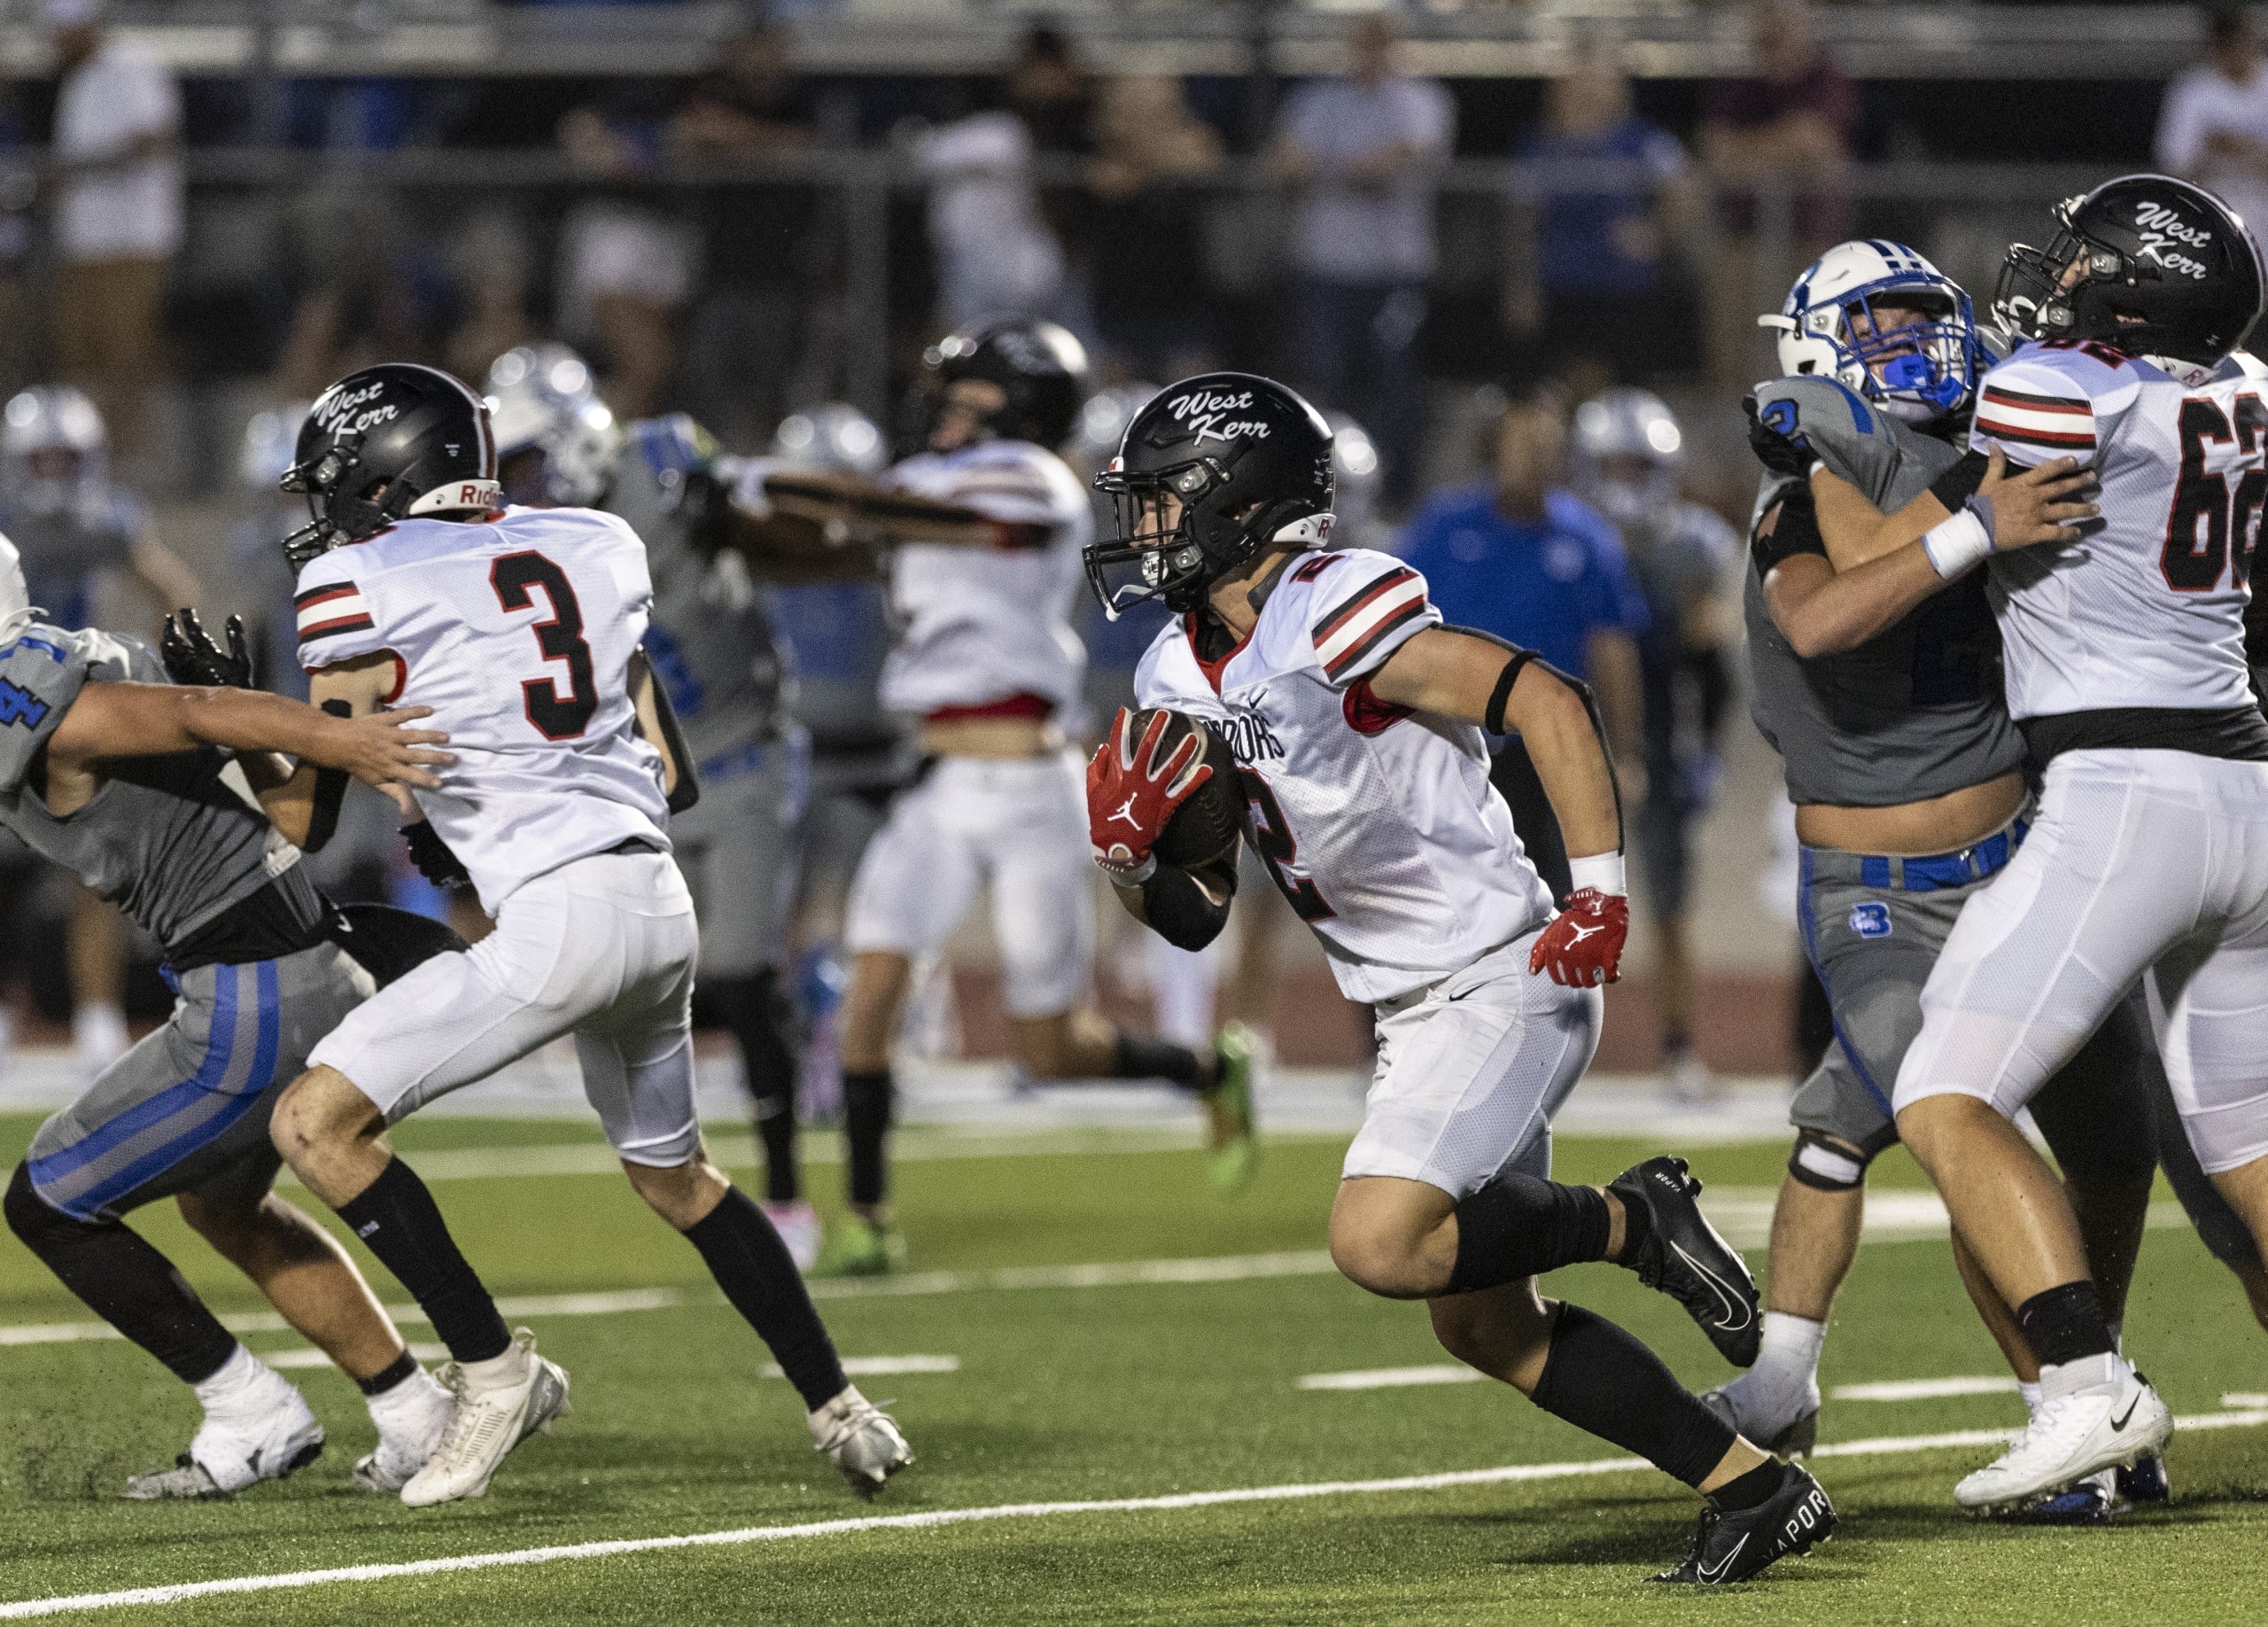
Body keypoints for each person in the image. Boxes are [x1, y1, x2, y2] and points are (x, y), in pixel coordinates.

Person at [1084, 371, 1832, 1586]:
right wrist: (1130, 865)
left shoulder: (1328, 607)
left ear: (1237, 502)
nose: (1145, 526)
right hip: (1412, 1006)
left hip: (1500, 971)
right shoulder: (1174, 668)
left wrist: (1598, 891)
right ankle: (1752, 1487)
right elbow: (1199, 910)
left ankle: (1633, 1220)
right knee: (1484, 1323)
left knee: (1379, 1240)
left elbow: (1547, 697)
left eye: (1164, 499)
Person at [260, 362, 911, 1507]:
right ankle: (840, 1406)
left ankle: (493, 1372)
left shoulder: (353, 580)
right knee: (680, 1181)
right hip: (653, 903)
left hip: (562, 927)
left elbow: (302, 820)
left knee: (313, 1126)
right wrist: (483, 819)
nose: (330, 508)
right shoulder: (595, 542)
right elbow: (670, 772)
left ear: (386, 476)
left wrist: (237, 729)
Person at [1720, 237, 2194, 1522]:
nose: (1907, 343)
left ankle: (2052, 1372)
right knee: (1954, 1121)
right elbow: (1822, 619)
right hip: (1881, 886)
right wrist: (1978, 522)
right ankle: (2076, 1398)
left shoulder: (1991, 447)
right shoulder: (1810, 482)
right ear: (1818, 345)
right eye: (1873, 323)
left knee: (2107, 1136)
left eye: (1919, 316)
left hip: (2032, 846)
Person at [1890, 174, 2268, 1512]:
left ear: (2133, 294)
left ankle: (2084, 1386)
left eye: (2080, 264)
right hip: (2245, 787)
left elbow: (1977, 464)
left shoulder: (2055, 391)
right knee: (2247, 1148)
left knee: (1945, 1096)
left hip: (2126, 790)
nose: (2053, 281)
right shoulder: (2248, 387)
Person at [737, 323, 1256, 1278]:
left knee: (1051, 1048)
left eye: (967, 396)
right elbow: (842, 543)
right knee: (869, 996)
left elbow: (888, 512)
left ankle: (1207, 1069)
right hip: (936, 781)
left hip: (1029, 787)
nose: (944, 409)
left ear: (1019, 408)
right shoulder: (929, 487)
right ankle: (867, 1216)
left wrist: (755, 480)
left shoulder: (1032, 480)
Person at [0, 537, 466, 1499]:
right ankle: (413, 1411)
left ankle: (251, 1411)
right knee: (218, 1204)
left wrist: (341, 740)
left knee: (49, 1201)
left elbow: (199, 709)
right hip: (288, 965)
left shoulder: (58, 709)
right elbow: (261, 790)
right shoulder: (67, 667)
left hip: (255, 989)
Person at [485, 342, 821, 1270]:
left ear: (575, 439)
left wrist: (740, 509)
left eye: (529, 459)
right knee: (664, 981)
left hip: (747, 750)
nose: (520, 483)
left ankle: (785, 1190)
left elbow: (784, 531)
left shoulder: (666, 461)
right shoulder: (524, 540)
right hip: (651, 775)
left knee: (744, 978)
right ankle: (691, 1170)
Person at [1, 381, 203, 1075]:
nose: (54, 472)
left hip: (69, 711)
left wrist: (150, 672)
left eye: (66, 458)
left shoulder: (110, 518)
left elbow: (175, 591)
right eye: (42, 459)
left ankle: (97, 1019)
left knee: (91, 868)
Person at [1396, 386, 1648, 902]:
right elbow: (1396, 633)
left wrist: (1624, 753)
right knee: (1454, 898)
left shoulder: (1588, 538)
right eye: (1521, 443)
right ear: (1495, 447)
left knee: (1556, 897)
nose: (1534, 457)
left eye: (1546, 445)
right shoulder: (1441, 528)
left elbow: (1612, 651)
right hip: (1452, 747)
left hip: (1548, 749)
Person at [1569, 389, 1735, 1100]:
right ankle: (1545, 1043)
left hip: (1660, 735)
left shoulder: (1692, 544)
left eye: (1639, 467)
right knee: (1548, 899)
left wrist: (1707, 752)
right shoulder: (1566, 536)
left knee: (1668, 903)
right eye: (1614, 466)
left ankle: (1678, 1048)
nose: (1626, 482)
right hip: (1569, 731)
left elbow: (1712, 666)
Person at [1267, 12, 1453, 507]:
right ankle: (1319, 492)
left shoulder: (1422, 98)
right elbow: (1283, 163)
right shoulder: (1316, 99)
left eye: (1381, 37)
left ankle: (1394, 498)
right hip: (1326, 270)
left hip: (1396, 273)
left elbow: (1404, 156)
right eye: (1363, 37)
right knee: (1323, 382)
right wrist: (1354, 166)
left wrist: (1331, 165)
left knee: (1396, 387)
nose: (1372, 47)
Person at [1506, 49, 1697, 390]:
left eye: (1598, 82)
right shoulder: (1539, 145)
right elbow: (1521, 219)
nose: (1588, 91)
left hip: (1625, 289)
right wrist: (1521, 283)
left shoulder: (1643, 140)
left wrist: (1655, 233)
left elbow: (1687, 188)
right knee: (1553, 390)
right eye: (1579, 82)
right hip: (1559, 286)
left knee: (1625, 390)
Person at [43, 0, 182, 463]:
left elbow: (155, 137)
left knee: (126, 356)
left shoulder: (130, 65)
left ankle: (127, 459)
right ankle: (87, 458)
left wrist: (81, 170)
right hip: (85, 241)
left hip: (130, 239)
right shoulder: (78, 80)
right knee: (81, 355)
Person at [1696, 1, 1856, 386]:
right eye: (1768, 14)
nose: (1776, 26)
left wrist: (1751, 152)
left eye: (1786, 16)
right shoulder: (1737, 80)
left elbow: (1818, 143)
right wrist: (1789, 147)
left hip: (1812, 242)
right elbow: (1718, 155)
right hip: (1742, 238)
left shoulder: (1827, 77)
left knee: (1813, 357)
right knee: (1732, 363)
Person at [1087, 77, 1225, 382]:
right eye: (1136, 106)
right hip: (1119, 301)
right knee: (1114, 399)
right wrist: (1152, 159)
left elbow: (1203, 156)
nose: (1145, 115)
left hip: (1183, 300)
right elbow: (1108, 181)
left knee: (1193, 394)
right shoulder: (1103, 143)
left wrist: (1140, 161)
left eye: (1157, 107)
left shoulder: (1191, 141)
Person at [2156, 3, 2268, 245]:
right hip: (2211, 223)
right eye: (2227, 45)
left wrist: (2246, 148)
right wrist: (2211, 150)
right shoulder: (2192, 91)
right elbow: (2174, 175)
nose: (2237, 52)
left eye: (2241, 41)